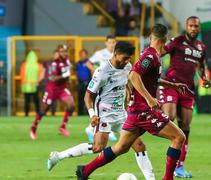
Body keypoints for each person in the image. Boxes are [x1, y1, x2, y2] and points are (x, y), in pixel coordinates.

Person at [76, 24, 187, 180]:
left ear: (150, 37)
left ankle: (85, 170)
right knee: (178, 137)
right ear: (165, 39)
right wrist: (149, 99)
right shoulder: (149, 56)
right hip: (143, 111)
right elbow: (134, 76)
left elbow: (148, 79)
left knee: (121, 147)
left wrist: (172, 85)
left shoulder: (152, 55)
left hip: (135, 112)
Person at [47, 41, 156, 180]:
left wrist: (128, 92)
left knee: (139, 145)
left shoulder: (127, 66)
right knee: (98, 147)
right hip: (104, 114)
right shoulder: (102, 71)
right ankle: (58, 156)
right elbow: (88, 96)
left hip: (121, 114)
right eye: (125, 57)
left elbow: (128, 81)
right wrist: (92, 115)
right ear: (115, 53)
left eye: (129, 58)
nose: (127, 61)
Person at [158, 16, 210, 178]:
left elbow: (201, 65)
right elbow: (160, 52)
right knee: (170, 116)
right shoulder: (177, 41)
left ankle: (179, 165)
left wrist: (204, 77)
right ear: (186, 27)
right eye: (190, 26)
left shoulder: (201, 47)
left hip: (188, 89)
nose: (193, 28)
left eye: (196, 26)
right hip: (171, 84)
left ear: (199, 28)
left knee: (185, 125)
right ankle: (150, 116)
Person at [29, 45, 75, 140]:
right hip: (52, 89)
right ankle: (33, 127)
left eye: (65, 51)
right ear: (58, 52)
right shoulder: (54, 64)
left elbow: (66, 76)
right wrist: (64, 76)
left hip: (62, 89)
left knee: (71, 104)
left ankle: (62, 126)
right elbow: (53, 78)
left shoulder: (67, 61)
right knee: (44, 109)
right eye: (61, 51)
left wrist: (68, 79)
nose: (63, 53)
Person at [86, 35, 118, 142]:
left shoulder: (117, 54)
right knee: (104, 104)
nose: (112, 44)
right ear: (106, 43)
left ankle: (92, 128)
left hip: (114, 84)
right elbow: (88, 63)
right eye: (110, 42)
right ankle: (103, 129)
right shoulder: (100, 54)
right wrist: (96, 71)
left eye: (113, 42)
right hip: (103, 84)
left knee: (107, 105)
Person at [19, 50, 43, 116]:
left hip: (26, 86)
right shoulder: (38, 65)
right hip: (35, 85)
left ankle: (26, 114)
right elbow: (41, 75)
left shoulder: (24, 65)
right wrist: (38, 82)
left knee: (27, 101)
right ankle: (38, 113)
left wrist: (22, 83)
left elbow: (21, 75)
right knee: (36, 101)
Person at [76, 49, 91, 115]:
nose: (82, 55)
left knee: (88, 99)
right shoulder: (78, 63)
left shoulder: (89, 62)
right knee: (80, 99)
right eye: (81, 54)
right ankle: (80, 113)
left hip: (88, 83)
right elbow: (76, 72)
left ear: (86, 55)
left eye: (84, 54)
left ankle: (89, 113)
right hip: (80, 83)